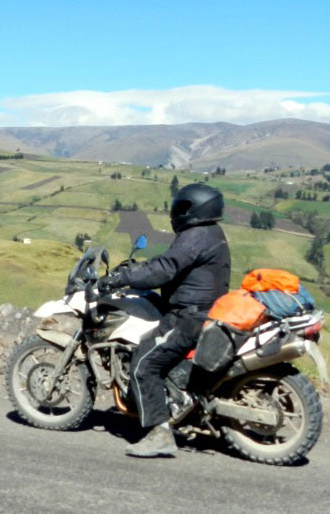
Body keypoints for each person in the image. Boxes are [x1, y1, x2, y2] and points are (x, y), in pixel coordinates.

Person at [98, 182, 231, 457]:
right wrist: (142, 269)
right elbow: (172, 262)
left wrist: (121, 278)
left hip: (189, 317)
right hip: (202, 311)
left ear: (191, 209)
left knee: (143, 364)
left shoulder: (196, 235)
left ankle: (159, 434)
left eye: (180, 208)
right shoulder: (211, 232)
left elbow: (165, 268)